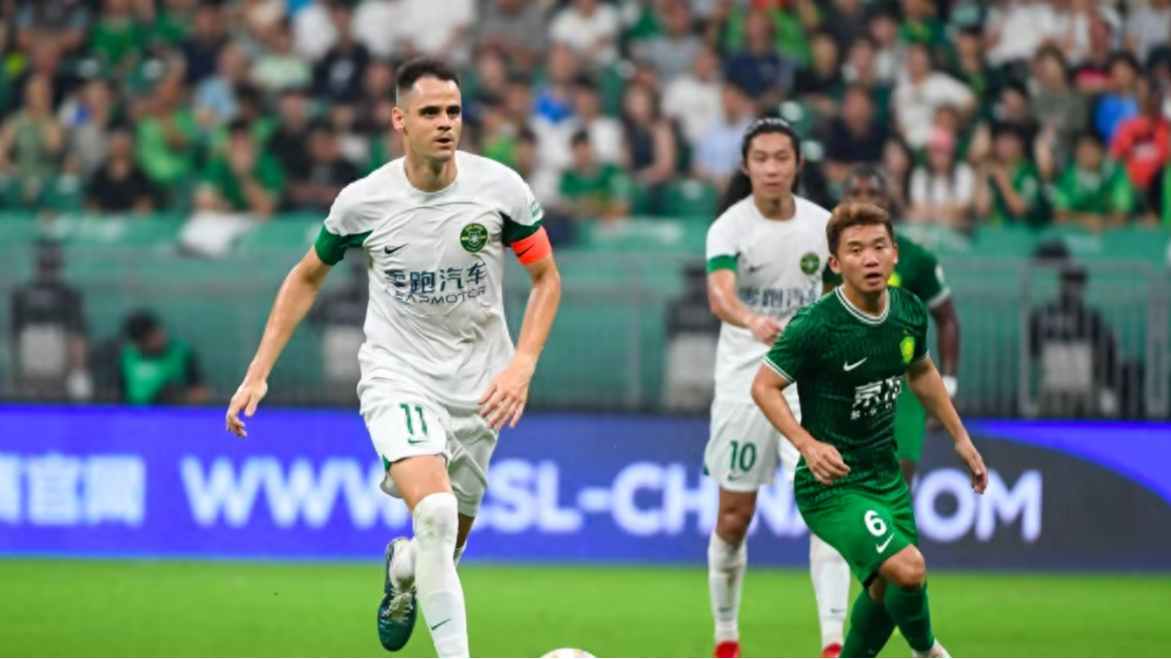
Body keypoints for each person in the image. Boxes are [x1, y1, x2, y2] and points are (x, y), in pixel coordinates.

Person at [224, 56, 562, 659]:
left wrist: (523, 365)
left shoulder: (501, 190)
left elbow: (546, 280)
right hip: (397, 373)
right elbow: (306, 278)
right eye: (430, 112)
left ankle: (403, 568)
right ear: (399, 119)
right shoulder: (364, 202)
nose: (445, 123)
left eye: (454, 111)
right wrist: (258, 371)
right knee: (432, 509)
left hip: (482, 386)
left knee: (441, 544)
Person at [750, 202, 988, 659]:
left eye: (879, 246)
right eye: (856, 250)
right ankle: (929, 652)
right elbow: (764, 387)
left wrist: (961, 437)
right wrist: (807, 443)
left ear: (895, 253)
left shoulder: (907, 310)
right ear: (836, 265)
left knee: (884, 590)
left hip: (886, 478)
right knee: (910, 568)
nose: (871, 258)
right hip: (833, 485)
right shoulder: (817, 325)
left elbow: (920, 372)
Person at [703, 117, 850, 659]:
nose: (771, 167)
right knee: (733, 519)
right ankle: (726, 638)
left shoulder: (822, 225)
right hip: (745, 382)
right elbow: (720, 295)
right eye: (760, 158)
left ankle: (834, 643)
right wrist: (749, 318)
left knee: (826, 505)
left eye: (780, 157)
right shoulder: (728, 228)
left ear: (797, 164)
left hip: (807, 387)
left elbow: (842, 297)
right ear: (746, 166)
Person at [838, 166, 960, 486]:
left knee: (895, 488)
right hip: (843, 386)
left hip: (902, 388)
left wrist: (947, 386)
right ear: (844, 201)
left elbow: (947, 319)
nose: (864, 202)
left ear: (888, 201)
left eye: (873, 195)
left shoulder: (914, 257)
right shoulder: (827, 257)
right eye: (856, 194)